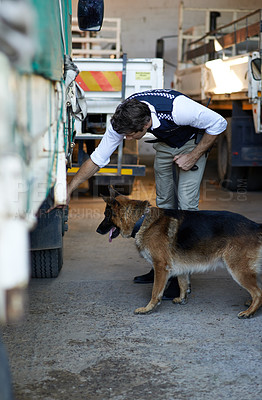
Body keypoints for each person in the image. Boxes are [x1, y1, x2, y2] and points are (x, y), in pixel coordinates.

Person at [67, 89, 227, 298]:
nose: (125, 138)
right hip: (166, 144)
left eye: (130, 135)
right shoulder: (123, 118)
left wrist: (193, 155)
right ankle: (160, 265)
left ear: (146, 125)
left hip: (192, 142)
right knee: (163, 204)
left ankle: (182, 277)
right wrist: (69, 189)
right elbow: (98, 159)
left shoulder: (179, 109)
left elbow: (219, 123)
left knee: (187, 207)